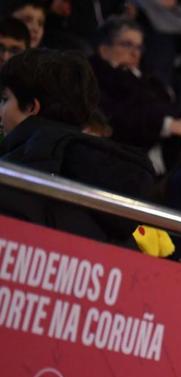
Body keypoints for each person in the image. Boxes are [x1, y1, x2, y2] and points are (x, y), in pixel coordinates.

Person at [0, 48, 155, 243]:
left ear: (32, 107)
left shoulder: (10, 179)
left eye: (5, 99)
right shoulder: (113, 193)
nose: (0, 111)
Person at [90, 16, 181, 175]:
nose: (135, 53)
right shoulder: (96, 74)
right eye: (127, 45)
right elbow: (116, 115)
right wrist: (171, 125)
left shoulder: (147, 78)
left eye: (139, 47)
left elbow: (166, 104)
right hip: (126, 152)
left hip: (160, 147)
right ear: (104, 49)